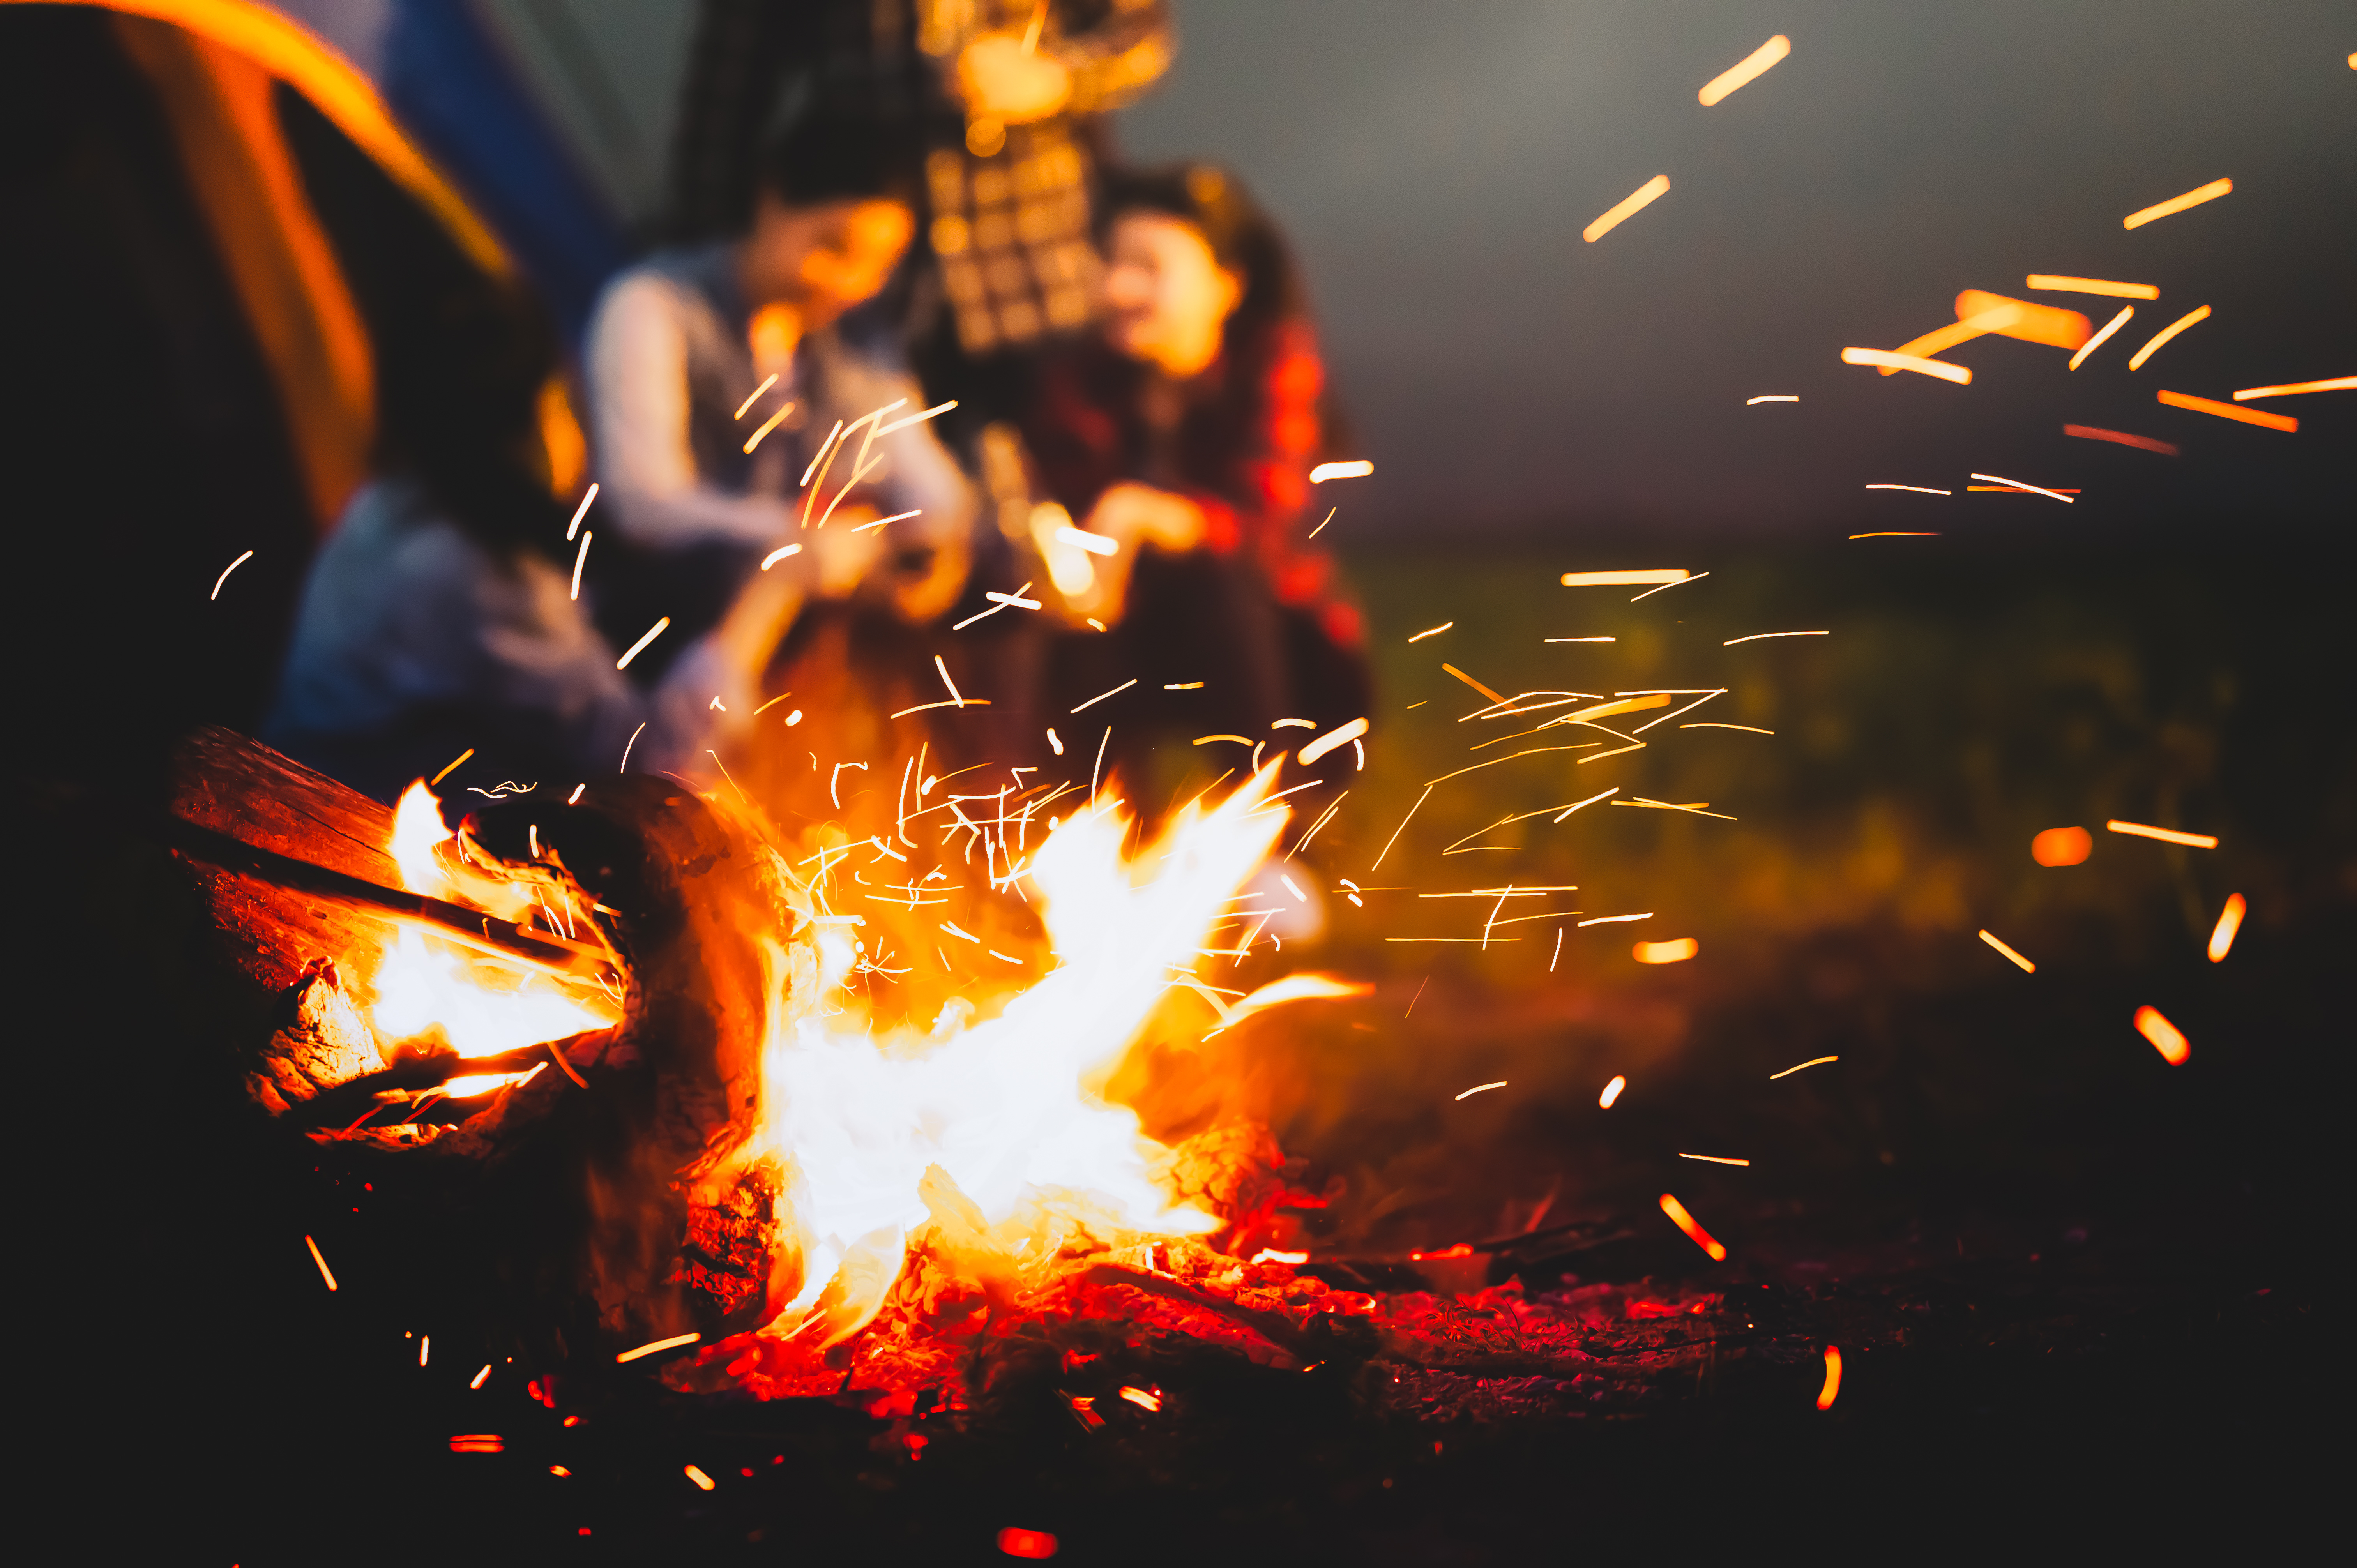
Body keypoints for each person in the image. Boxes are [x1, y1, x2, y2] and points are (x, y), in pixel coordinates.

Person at [263, 263, 845, 802]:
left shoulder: (402, 499)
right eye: (563, 399)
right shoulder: (474, 575)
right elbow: (652, 769)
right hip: (338, 830)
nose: (578, 426)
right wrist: (772, 593)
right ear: (525, 425)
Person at [1014, 164, 1370, 816]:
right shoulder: (1080, 379)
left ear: (1227, 285)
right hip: (1124, 631)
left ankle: (1270, 831)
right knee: (1061, 619)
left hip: (1274, 646)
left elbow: (1263, 523)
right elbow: (1052, 501)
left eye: (1149, 267)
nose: (1119, 287)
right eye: (1110, 262)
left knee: (1223, 586)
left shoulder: (1271, 367)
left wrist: (1141, 514)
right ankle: (1099, 835)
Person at [581, 108, 977, 679]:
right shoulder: (656, 306)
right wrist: (796, 540)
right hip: (645, 641)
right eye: (832, 248)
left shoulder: (854, 346)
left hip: (786, 666)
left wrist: (926, 551)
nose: (852, 283)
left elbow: (936, 492)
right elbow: (645, 504)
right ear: (769, 202)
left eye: (880, 264)